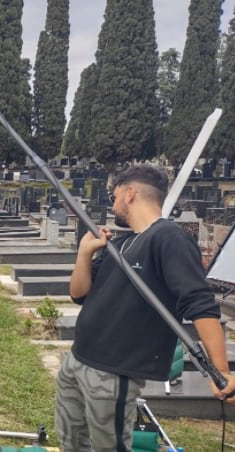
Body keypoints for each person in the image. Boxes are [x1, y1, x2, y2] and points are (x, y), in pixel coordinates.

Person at [56, 165, 235, 451]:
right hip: (79, 358)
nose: (112, 205)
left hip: (114, 371)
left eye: (114, 197)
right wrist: (84, 253)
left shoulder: (169, 238)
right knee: (72, 441)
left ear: (130, 194)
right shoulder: (122, 243)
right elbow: (79, 294)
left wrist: (222, 371)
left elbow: (199, 303)